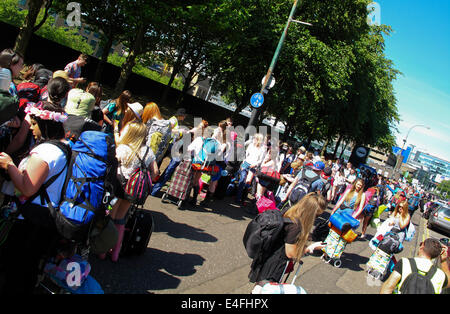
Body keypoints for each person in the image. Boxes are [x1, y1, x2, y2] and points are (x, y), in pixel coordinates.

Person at [0, 101, 69, 294]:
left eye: (34, 123)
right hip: (47, 219)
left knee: (16, 271)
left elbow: (27, 188)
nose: (30, 126)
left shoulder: (45, 152)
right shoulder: (63, 148)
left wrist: (9, 165)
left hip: (32, 220)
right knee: (28, 269)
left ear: (45, 124)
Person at [107, 121, 159, 262]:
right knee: (121, 219)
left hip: (118, 186)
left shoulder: (122, 148)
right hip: (133, 190)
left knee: (110, 216)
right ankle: (115, 253)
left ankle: (103, 249)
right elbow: (155, 172)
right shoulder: (148, 151)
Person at [249, 193, 328, 283]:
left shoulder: (290, 211)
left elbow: (286, 234)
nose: (316, 218)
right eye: (317, 215)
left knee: (259, 287)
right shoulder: (296, 226)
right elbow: (290, 253)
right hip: (274, 266)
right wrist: (310, 248)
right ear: (311, 213)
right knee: (264, 289)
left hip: (266, 255)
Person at [380, 238, 449, 294]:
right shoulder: (440, 275)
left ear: (422, 246)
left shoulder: (405, 263)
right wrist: (443, 260)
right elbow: (448, 283)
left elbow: (388, 287)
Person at [235, 133, 266, 205]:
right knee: (242, 179)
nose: (253, 139)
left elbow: (261, 160)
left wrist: (255, 164)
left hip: (253, 166)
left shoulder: (262, 149)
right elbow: (246, 154)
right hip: (246, 163)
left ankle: (243, 198)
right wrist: (244, 161)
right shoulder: (251, 145)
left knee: (248, 182)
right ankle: (237, 198)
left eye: (255, 138)